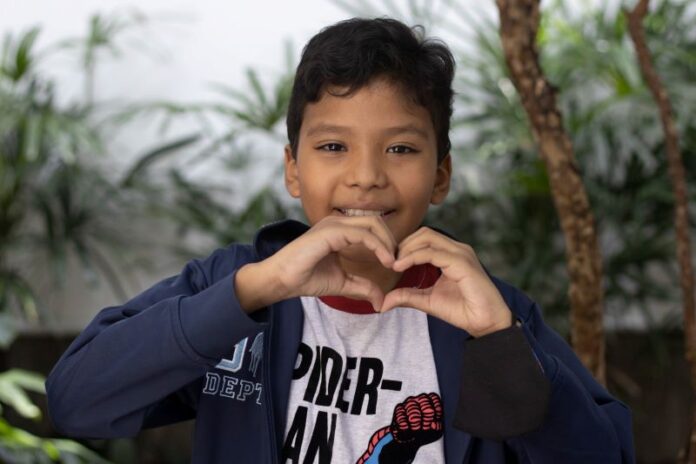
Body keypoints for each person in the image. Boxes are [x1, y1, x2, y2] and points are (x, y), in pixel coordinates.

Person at [46, 17, 634, 464]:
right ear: (292, 169)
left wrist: (501, 343)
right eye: (333, 147)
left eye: (401, 148)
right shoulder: (238, 284)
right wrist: (258, 288)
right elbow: (76, 400)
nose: (366, 175)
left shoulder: (486, 311)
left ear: (441, 175)